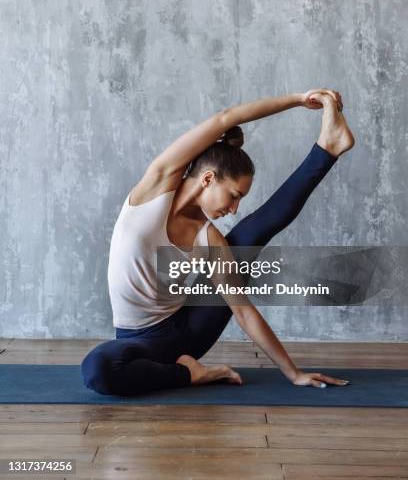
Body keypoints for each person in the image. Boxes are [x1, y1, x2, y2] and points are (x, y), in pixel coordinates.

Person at [81, 89, 355, 396]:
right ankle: (190, 374)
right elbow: (226, 118)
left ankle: (326, 149)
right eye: (234, 196)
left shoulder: (209, 237)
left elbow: (243, 311)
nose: (234, 209)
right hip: (134, 341)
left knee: (251, 233)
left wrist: (294, 373)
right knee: (98, 369)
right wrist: (298, 99)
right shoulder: (154, 188)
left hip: (188, 333)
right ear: (208, 178)